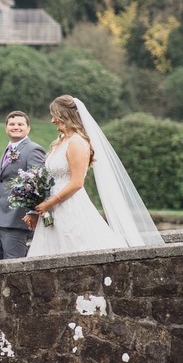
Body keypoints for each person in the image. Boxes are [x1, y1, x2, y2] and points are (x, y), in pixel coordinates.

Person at [24, 95, 163, 256]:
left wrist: (50, 203)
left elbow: (77, 182)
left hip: (68, 204)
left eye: (54, 114)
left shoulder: (76, 142)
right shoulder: (60, 141)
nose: (52, 120)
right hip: (51, 206)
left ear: (64, 115)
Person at [0, 110, 46, 260]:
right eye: (12, 124)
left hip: (17, 221)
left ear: (28, 128)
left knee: (14, 269)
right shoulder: (8, 150)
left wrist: (32, 211)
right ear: (6, 128)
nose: (16, 127)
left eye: (20, 124)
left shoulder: (33, 150)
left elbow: (39, 184)